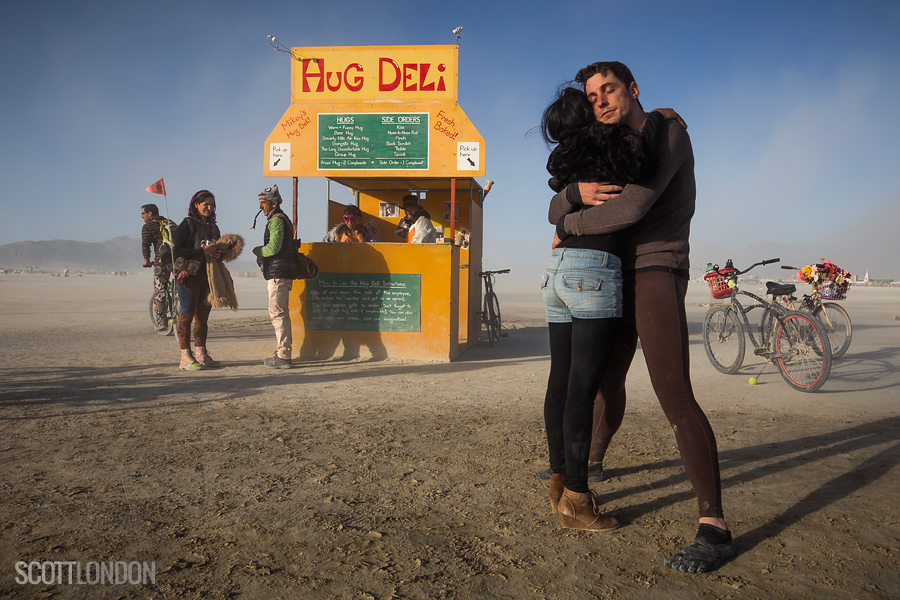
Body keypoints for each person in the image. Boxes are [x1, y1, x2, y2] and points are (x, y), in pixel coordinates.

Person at [548, 61, 734, 573]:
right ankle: (591, 463)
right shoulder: (609, 145)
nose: (600, 101)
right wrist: (566, 202)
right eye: (592, 96)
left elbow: (630, 209)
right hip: (610, 273)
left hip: (655, 268)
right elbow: (553, 204)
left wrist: (571, 222)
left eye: (608, 90)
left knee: (674, 394)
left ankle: (713, 527)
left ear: (633, 90)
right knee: (606, 380)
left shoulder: (668, 133)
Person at [539, 86, 664, 533]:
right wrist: (655, 119)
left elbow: (556, 205)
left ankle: (557, 485)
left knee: (560, 382)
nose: (604, 106)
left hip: (558, 270)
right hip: (594, 270)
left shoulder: (568, 156)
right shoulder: (613, 143)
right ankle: (576, 498)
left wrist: (570, 202)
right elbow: (644, 167)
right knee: (583, 389)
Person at [172, 190, 221, 370]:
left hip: (207, 276)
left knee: (203, 316)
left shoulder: (214, 227)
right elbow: (177, 251)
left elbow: (217, 250)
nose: (209, 207)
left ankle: (200, 352)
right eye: (205, 204)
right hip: (188, 276)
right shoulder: (187, 224)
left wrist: (218, 253)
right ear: (196, 205)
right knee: (187, 314)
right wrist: (202, 252)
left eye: (212, 204)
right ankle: (185, 355)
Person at [252, 185, 295, 369]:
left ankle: (283, 356)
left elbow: (273, 248)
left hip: (278, 275)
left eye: (263, 203)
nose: (261, 207)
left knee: (277, 314)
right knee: (281, 313)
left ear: (272, 203)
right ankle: (282, 352)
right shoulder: (280, 218)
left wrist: (257, 251)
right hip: (282, 273)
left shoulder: (277, 220)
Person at [141, 203, 176, 329]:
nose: (142, 216)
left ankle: (162, 321)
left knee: (160, 289)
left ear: (150, 213)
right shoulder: (170, 223)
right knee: (180, 285)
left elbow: (146, 244)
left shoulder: (148, 226)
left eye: (143, 213)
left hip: (162, 261)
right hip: (178, 259)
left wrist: (146, 260)